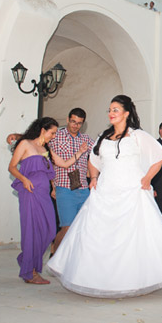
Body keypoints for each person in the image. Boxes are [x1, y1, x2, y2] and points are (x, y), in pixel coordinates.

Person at [47, 95, 162, 297]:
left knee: (135, 233)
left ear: (126, 113)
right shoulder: (103, 136)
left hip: (132, 189)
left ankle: (134, 278)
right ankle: (98, 277)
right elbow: (93, 159)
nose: (111, 113)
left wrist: (147, 179)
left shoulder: (138, 135)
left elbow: (159, 158)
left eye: (115, 110)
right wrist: (93, 177)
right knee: (99, 233)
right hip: (105, 189)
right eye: (110, 110)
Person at [8, 117, 88, 284]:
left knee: (50, 230)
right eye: (52, 132)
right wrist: (23, 179)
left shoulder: (46, 149)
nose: (53, 136)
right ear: (43, 130)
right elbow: (12, 167)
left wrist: (80, 152)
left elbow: (64, 164)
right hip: (30, 192)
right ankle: (31, 272)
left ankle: (26, 260)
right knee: (32, 230)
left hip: (44, 193)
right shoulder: (26, 144)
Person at [47, 108, 93, 253]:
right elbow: (38, 141)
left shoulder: (86, 140)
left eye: (79, 123)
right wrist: (16, 136)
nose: (75, 125)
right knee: (67, 226)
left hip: (83, 188)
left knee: (83, 227)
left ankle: (73, 260)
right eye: (73, 122)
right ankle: (55, 253)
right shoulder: (56, 136)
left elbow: (102, 151)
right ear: (67, 119)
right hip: (64, 187)